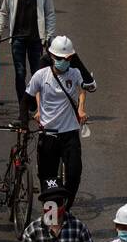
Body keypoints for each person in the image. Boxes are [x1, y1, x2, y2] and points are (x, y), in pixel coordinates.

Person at [26, 36, 87, 206]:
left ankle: (65, 209)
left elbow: (88, 86)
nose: (63, 62)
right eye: (60, 58)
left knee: (74, 175)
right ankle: (52, 220)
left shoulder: (75, 73)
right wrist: (33, 115)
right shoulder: (41, 75)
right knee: (49, 181)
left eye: (67, 59)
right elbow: (30, 95)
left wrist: (81, 109)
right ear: (52, 57)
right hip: (49, 135)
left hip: (70, 134)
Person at [0, 0, 55, 103]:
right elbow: (3, 12)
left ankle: (35, 102)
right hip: (17, 39)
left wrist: (49, 36)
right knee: (20, 74)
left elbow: (49, 14)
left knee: (36, 73)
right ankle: (23, 105)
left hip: (36, 39)